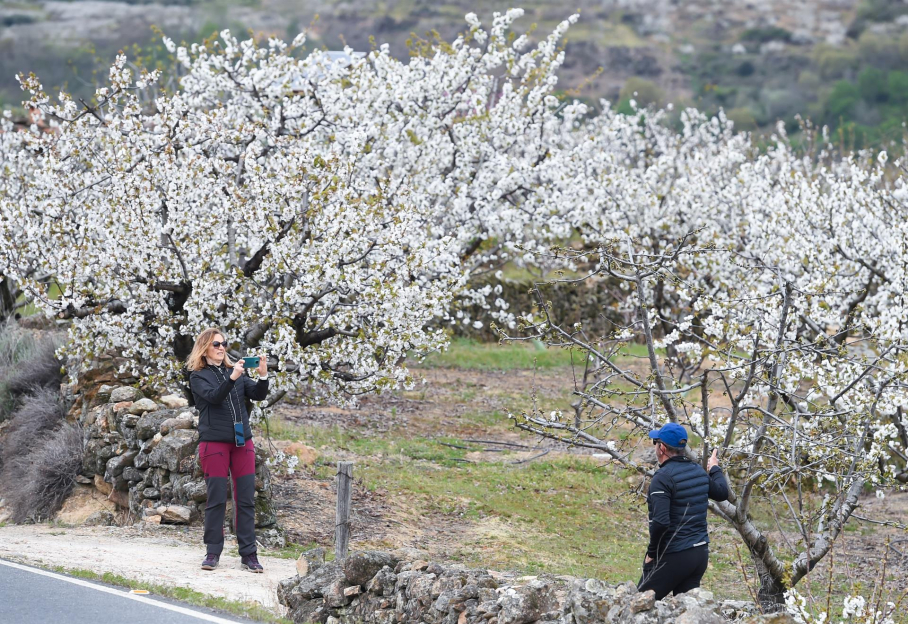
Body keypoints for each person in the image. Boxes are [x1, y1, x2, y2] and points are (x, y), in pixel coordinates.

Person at [186, 328, 269, 573]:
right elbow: (213, 397)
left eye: (224, 344)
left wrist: (262, 376)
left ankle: (249, 555)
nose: (222, 348)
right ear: (205, 348)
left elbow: (258, 395)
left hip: (243, 443)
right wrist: (232, 377)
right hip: (214, 443)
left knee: (245, 500)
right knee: (216, 499)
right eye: (216, 345)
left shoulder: (236, 373)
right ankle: (212, 552)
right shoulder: (198, 376)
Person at [638, 422, 729, 599]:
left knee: (636, 606)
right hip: (699, 555)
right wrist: (715, 468)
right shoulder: (698, 471)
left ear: (662, 448)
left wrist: (651, 553)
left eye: (655, 442)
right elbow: (722, 492)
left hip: (674, 555)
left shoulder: (662, 478)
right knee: (687, 613)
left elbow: (661, 522)